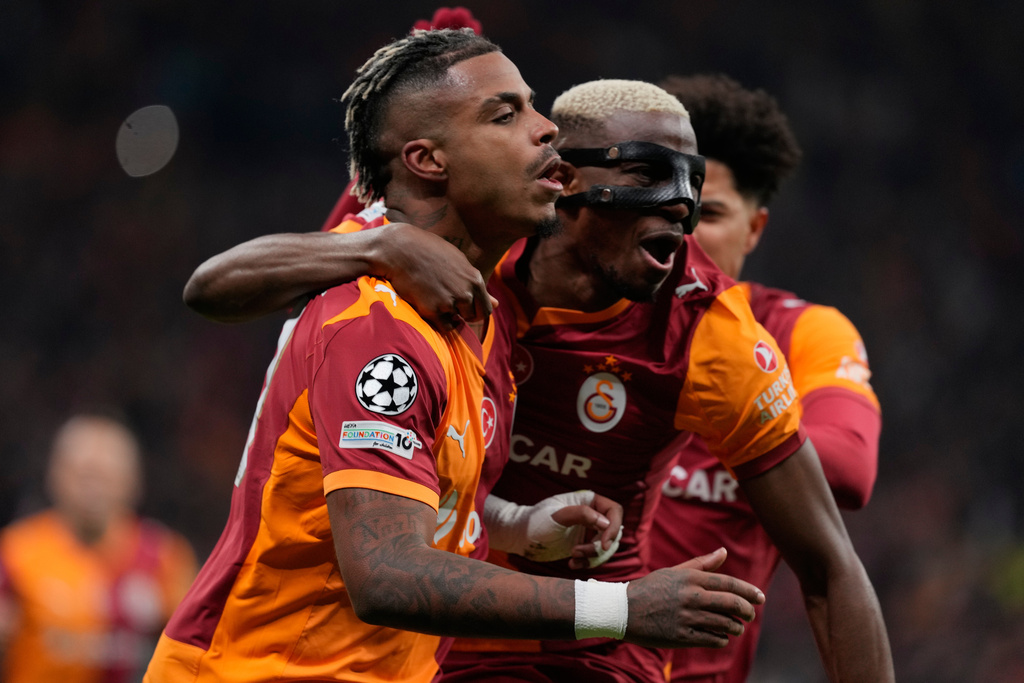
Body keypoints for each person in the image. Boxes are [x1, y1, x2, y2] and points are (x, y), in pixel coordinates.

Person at [181, 74, 894, 682]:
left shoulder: (711, 335)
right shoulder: (460, 253)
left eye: (697, 190)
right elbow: (215, 286)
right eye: (650, 175)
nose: (680, 208)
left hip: (593, 650)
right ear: (568, 179)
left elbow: (831, 563)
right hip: (435, 632)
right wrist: (380, 242)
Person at [647, 73, 883, 683]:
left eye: (713, 213)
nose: (687, 233)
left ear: (755, 230)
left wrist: (712, 413)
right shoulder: (574, 315)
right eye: (674, 210)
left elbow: (851, 470)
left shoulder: (799, 331)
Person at [0, 413, 197, 683]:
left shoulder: (166, 556)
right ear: (54, 475)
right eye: (84, 474)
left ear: (134, 481)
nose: (93, 488)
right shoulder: (15, 553)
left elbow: (192, 653)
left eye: (106, 475)